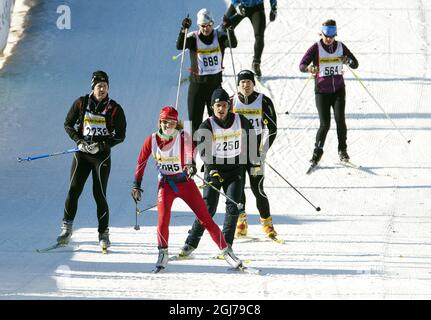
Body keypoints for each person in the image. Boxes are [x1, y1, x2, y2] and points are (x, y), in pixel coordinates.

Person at [131, 106, 243, 271]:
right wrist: (136, 184)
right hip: (166, 185)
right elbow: (141, 162)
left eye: (171, 122)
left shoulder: (183, 137)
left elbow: (190, 153)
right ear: (159, 122)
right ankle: (163, 253)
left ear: (176, 124)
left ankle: (227, 252)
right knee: (162, 219)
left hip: (185, 184)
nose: (167, 125)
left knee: (205, 218)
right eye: (164, 122)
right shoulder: (152, 140)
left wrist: (191, 165)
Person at [178, 88, 259, 258]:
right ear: (212, 107)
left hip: (235, 169)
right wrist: (212, 168)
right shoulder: (206, 125)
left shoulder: (240, 120)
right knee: (207, 208)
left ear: (229, 106)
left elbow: (252, 137)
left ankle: (226, 246)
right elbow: (204, 151)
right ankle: (190, 243)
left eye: (224, 105)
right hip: (214, 170)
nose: (221, 109)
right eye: (217, 106)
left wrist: (253, 156)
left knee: (233, 206)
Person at [57, 70, 127, 251]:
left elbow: (121, 136)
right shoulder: (81, 103)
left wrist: (102, 145)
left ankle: (103, 233)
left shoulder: (115, 108)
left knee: (99, 194)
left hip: (101, 157)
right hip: (82, 154)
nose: (102, 89)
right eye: (98, 86)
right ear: (93, 87)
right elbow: (67, 124)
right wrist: (79, 141)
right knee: (74, 190)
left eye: (105, 86)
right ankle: (66, 228)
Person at [299, 19, 358, 165]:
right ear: (322, 34)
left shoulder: (340, 47)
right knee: (325, 124)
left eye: (332, 37)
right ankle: (317, 153)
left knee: (340, 121)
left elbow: (355, 63)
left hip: (338, 90)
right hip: (322, 91)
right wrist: (309, 69)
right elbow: (302, 65)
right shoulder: (316, 47)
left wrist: (348, 61)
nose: (329, 39)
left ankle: (342, 151)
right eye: (326, 36)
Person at [231, 69, 278, 239]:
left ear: (253, 83)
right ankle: (241, 221)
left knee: (257, 188)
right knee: (237, 188)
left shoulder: (263, 101)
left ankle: (267, 224)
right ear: (238, 84)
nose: (246, 85)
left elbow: (272, 129)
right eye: (242, 82)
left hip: (255, 154)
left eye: (249, 82)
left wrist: (263, 150)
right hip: (235, 154)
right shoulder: (231, 101)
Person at [176, 8, 238, 136]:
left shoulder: (219, 36)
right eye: (203, 26)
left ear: (213, 24)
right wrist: (183, 30)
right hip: (197, 87)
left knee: (218, 121)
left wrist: (230, 28)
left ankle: (218, 152)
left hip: (214, 87)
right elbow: (179, 45)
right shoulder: (193, 38)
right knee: (194, 124)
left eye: (209, 25)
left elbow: (233, 44)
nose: (206, 28)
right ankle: (191, 154)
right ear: (199, 26)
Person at [225, 0, 278, 77]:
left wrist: (273, 8)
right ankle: (218, 62)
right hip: (240, 5)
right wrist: (237, 5)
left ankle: (256, 63)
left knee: (259, 36)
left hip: (257, 8)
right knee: (223, 29)